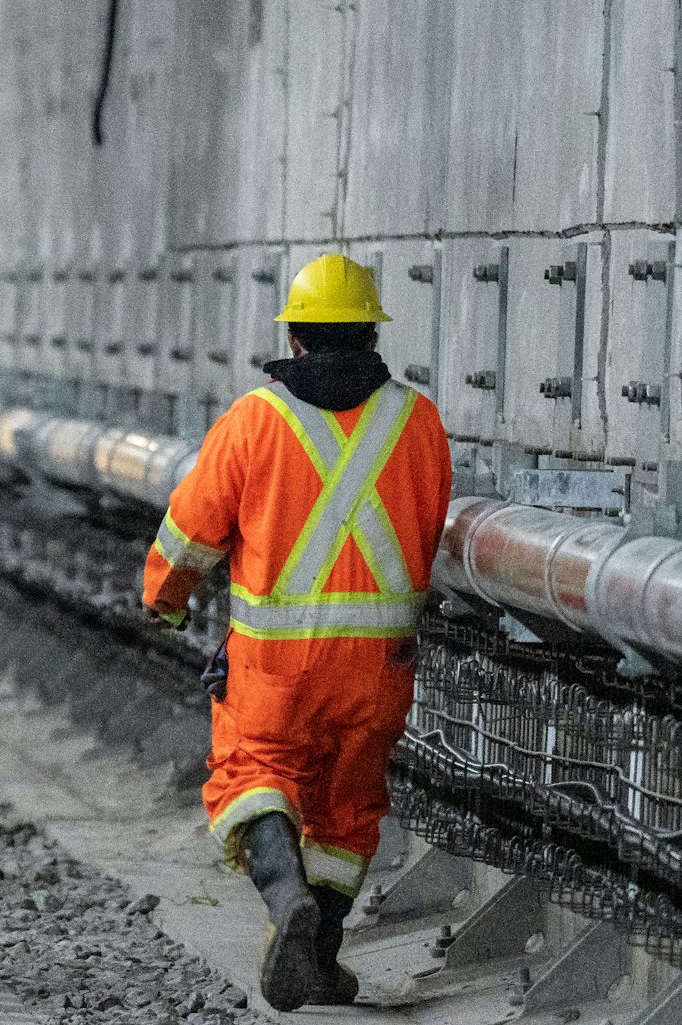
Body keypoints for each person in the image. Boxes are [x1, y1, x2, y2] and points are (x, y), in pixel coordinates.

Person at [141, 253, 451, 1011]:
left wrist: (166, 599)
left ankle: (287, 906)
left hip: (275, 668)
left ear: (298, 338)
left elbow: (189, 536)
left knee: (251, 775)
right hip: (379, 668)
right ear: (373, 333)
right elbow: (430, 528)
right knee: (347, 813)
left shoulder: (256, 419)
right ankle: (319, 956)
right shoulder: (420, 421)